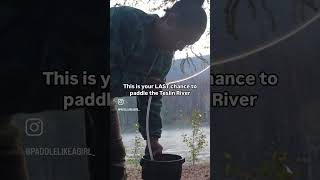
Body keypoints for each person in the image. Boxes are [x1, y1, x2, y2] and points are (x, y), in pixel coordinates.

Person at [110, 0, 207, 179]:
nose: (180, 47)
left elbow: (151, 99)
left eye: (187, 44)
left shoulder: (164, 56)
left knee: (114, 155)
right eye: (181, 39)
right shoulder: (125, 22)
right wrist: (141, 84)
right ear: (170, 20)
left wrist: (152, 140)